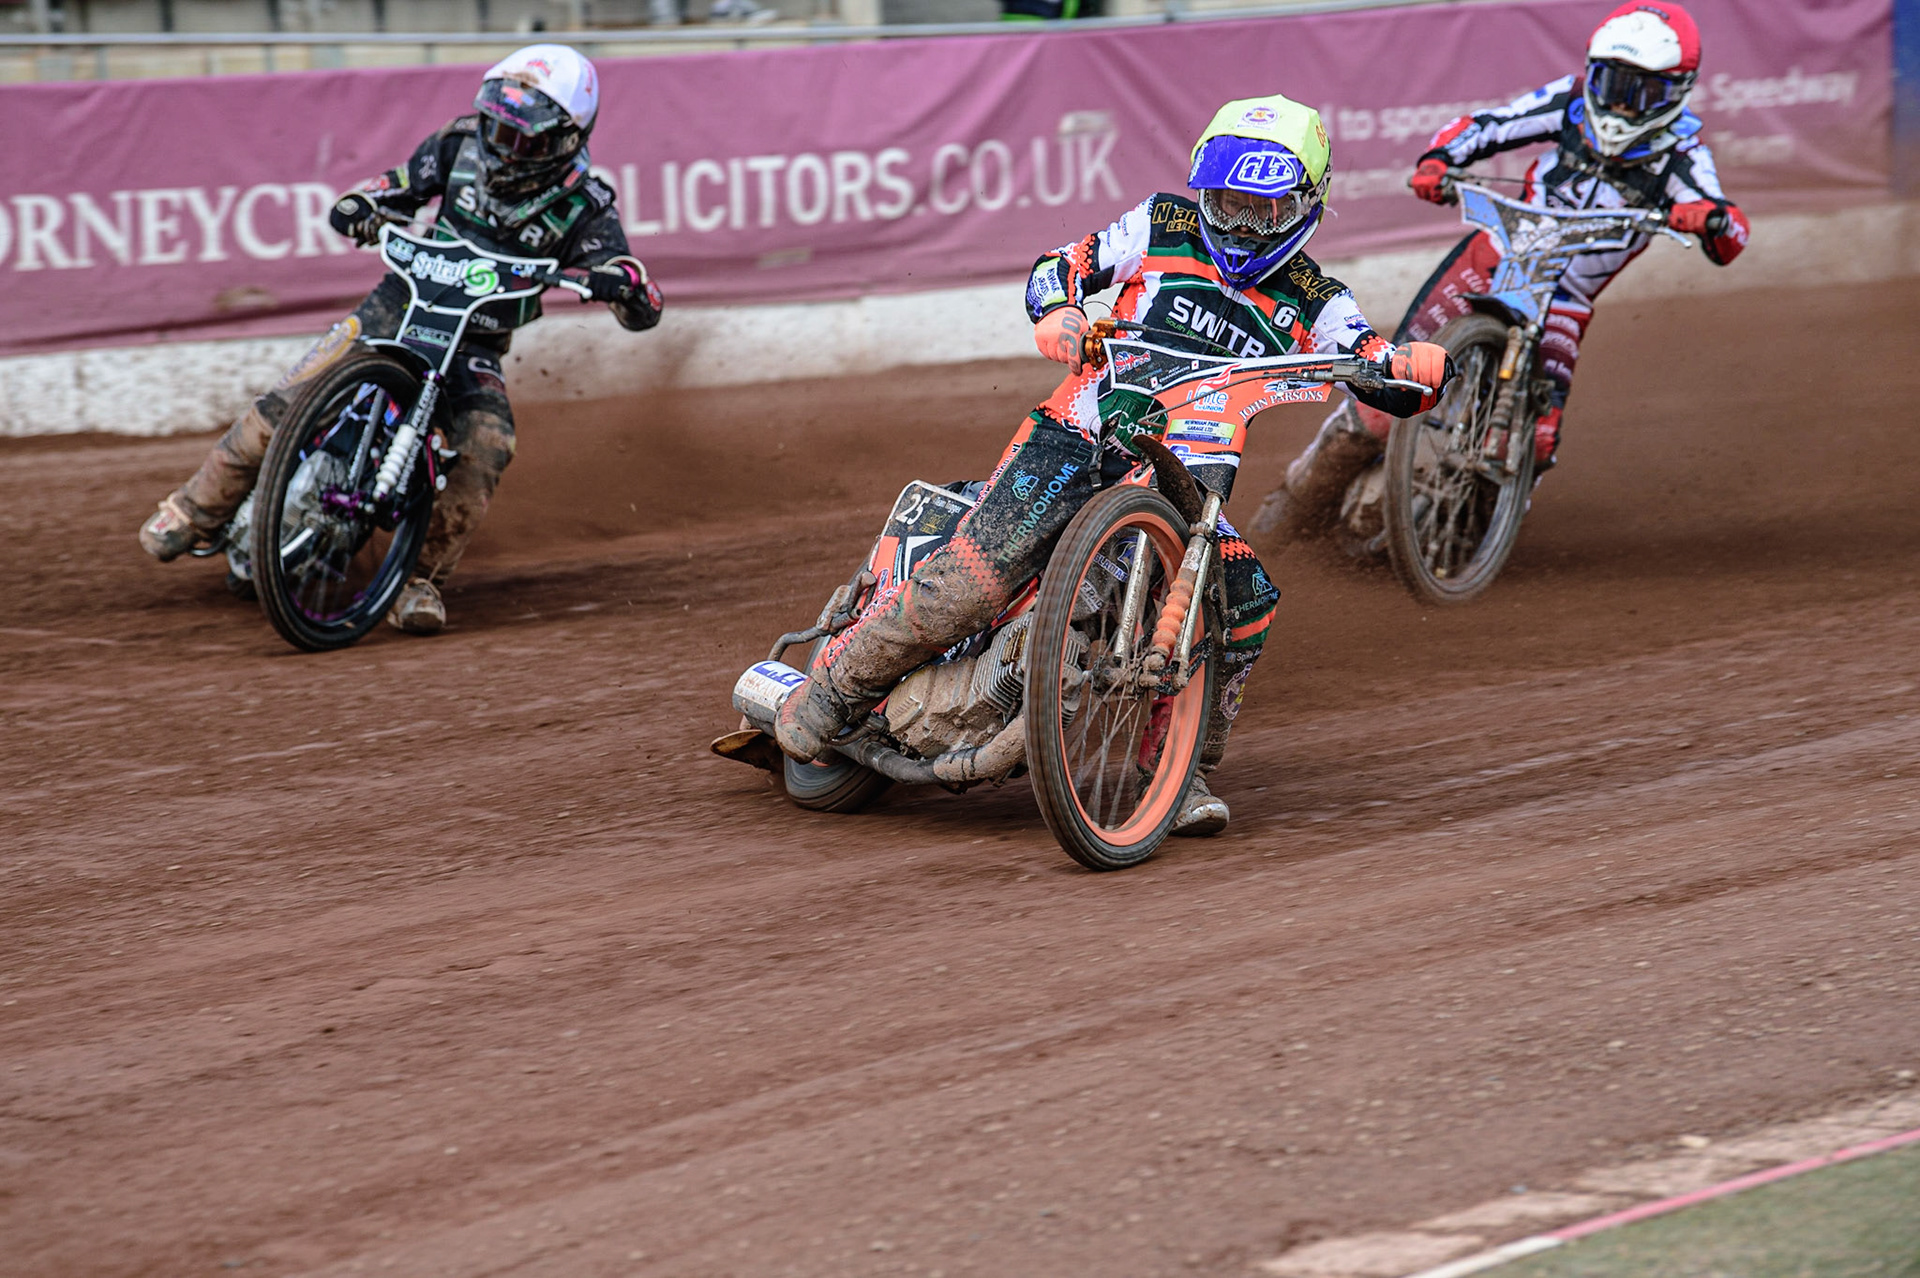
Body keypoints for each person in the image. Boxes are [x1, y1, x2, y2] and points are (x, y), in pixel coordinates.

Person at [773, 93, 1451, 836]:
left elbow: (1369, 357)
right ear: (1202, 190)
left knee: (1247, 600)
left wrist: (1410, 366)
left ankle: (1178, 769)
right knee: (968, 589)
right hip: (1076, 436)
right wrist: (1059, 313)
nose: (1240, 225)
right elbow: (1057, 267)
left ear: (1307, 206)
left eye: (1264, 210)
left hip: (1190, 484)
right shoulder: (1160, 224)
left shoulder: (1315, 296)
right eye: (1226, 203)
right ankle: (831, 692)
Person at [137, 44, 664, 634]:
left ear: (567, 138)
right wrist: (363, 204)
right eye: (497, 126)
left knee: (489, 440)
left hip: (475, 343)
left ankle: (421, 583)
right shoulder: (458, 142)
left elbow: (630, 283)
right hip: (397, 305)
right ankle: (190, 510)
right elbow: (394, 187)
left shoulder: (585, 206)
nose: (503, 146)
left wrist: (624, 287)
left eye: (524, 138)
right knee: (286, 399)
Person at [1256, 0, 1747, 546]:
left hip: (1565, 300)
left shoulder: (1683, 154)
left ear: (1677, 93)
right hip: (1491, 260)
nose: (1621, 104)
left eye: (1643, 92)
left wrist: (1712, 219)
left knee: (1536, 438)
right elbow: (1489, 126)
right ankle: (1294, 503)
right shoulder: (1570, 101)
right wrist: (1439, 160)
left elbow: (1731, 236)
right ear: (1592, 72)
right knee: (1385, 387)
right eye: (1611, 82)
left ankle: (1465, 541)